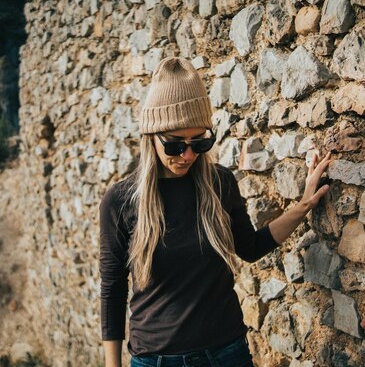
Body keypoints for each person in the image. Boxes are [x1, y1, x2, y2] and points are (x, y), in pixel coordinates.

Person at [99, 57, 333, 367]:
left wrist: (304, 205)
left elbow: (249, 248)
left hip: (226, 354)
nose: (187, 155)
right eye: (175, 145)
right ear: (151, 138)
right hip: (156, 360)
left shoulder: (219, 183)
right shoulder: (121, 200)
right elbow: (112, 288)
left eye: (200, 142)